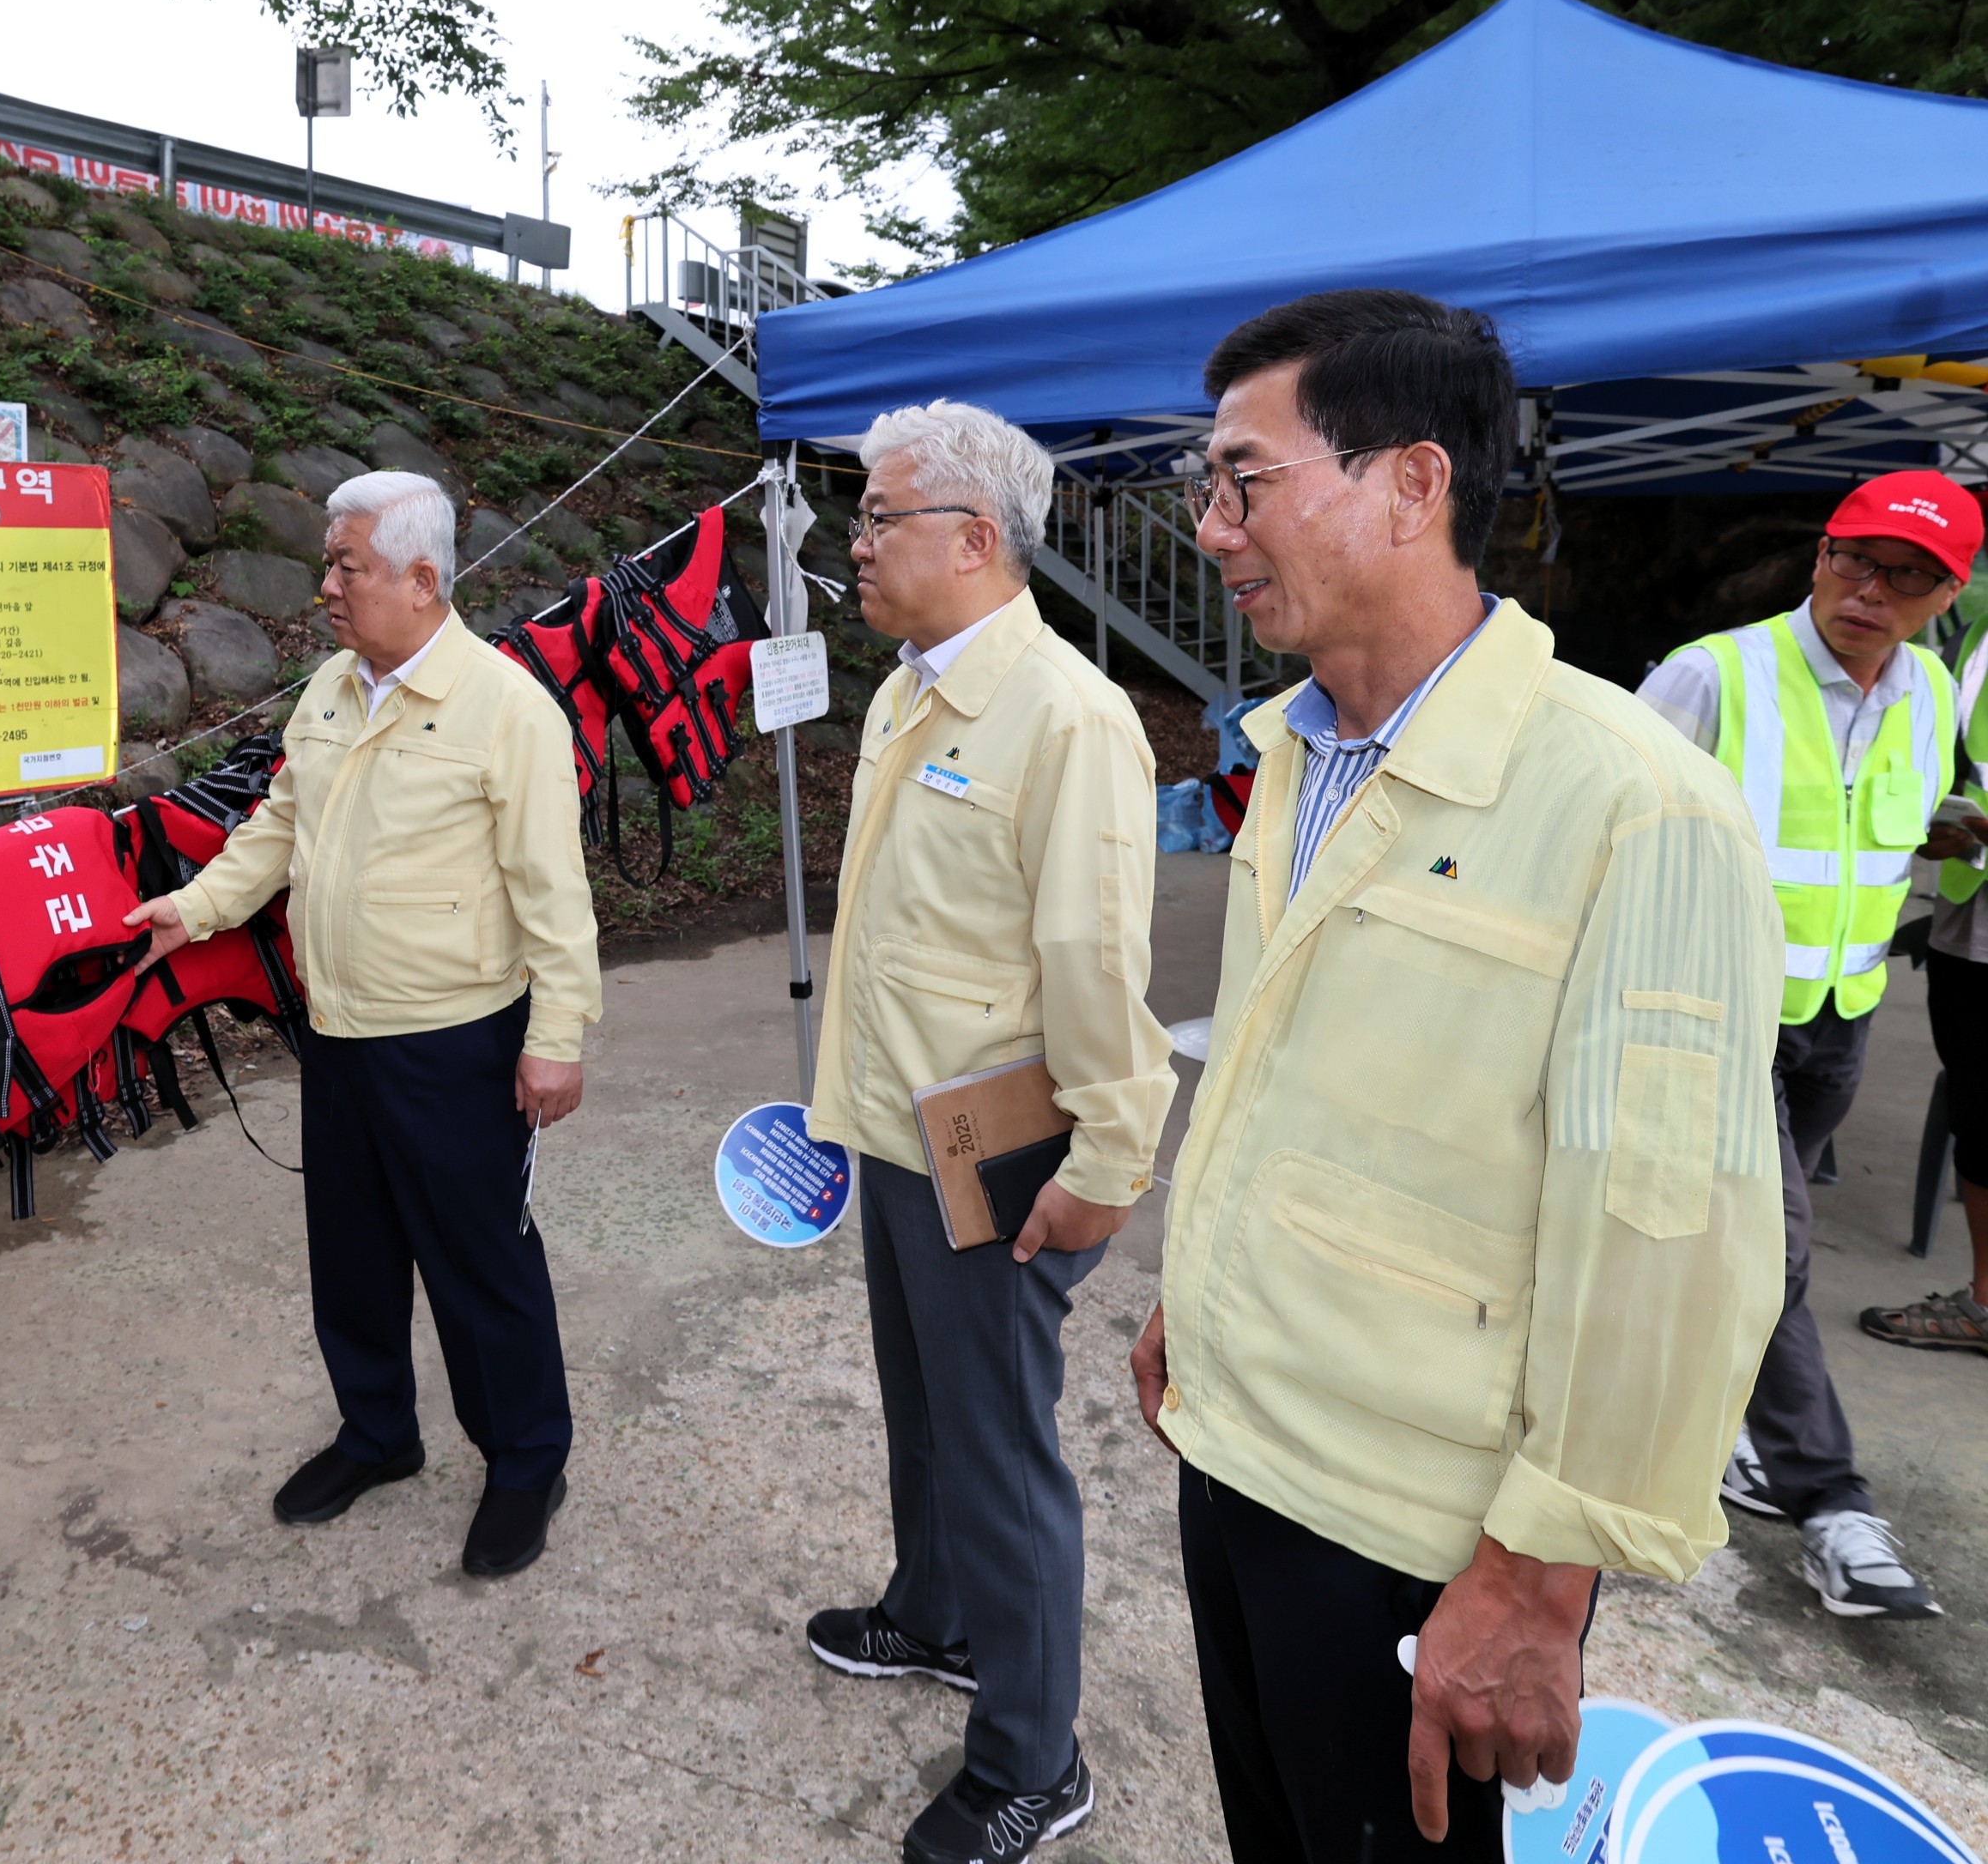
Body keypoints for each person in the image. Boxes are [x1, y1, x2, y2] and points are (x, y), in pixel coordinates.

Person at [1130, 290, 1785, 1862]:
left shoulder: (1635, 805)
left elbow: (1666, 1237)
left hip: (1414, 1529)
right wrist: (1194, 1293)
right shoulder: (1295, 746)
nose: (1214, 527)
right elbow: (1284, 1065)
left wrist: (1539, 1574)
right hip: (1237, 1441)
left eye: (1242, 479)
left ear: (1409, 484)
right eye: (1205, 488)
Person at [797, 403, 1174, 1864]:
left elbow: (1093, 964)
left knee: (998, 1446)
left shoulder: (1067, 717)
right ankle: (934, 1613)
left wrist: (1105, 1164)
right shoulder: (910, 687)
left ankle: (1032, 1755)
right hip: (900, 1126)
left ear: (971, 539)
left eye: (878, 515)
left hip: (995, 1141)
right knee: (920, 1400)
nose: (856, 538)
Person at [123, 469, 601, 1577]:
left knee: (482, 1265)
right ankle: (379, 1437)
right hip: (336, 1029)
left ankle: (527, 1459)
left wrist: (558, 1038)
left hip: (456, 1042)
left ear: (424, 580)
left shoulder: (506, 708)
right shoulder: (334, 689)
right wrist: (195, 910)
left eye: (348, 566)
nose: (325, 587)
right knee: (353, 1258)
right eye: (329, 564)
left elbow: (553, 891)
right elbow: (277, 825)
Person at [1632, 469, 1976, 1619]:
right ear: (1821, 554)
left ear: (1947, 596)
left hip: (1841, 1015)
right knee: (1771, 1254)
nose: (1866, 590)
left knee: (1733, 1252)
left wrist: (1953, 828)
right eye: (1851, 558)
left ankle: (1719, 1427)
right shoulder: (1712, 675)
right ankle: (1833, 1508)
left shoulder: (1931, 694)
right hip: (1713, 1013)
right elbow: (1610, 815)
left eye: (1905, 576)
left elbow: (1873, 819)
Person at [1858, 606, 1988, 1360]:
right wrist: (1938, 824)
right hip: (1970, 918)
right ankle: (1982, 1301)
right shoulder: (1972, 637)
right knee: (1980, 1114)